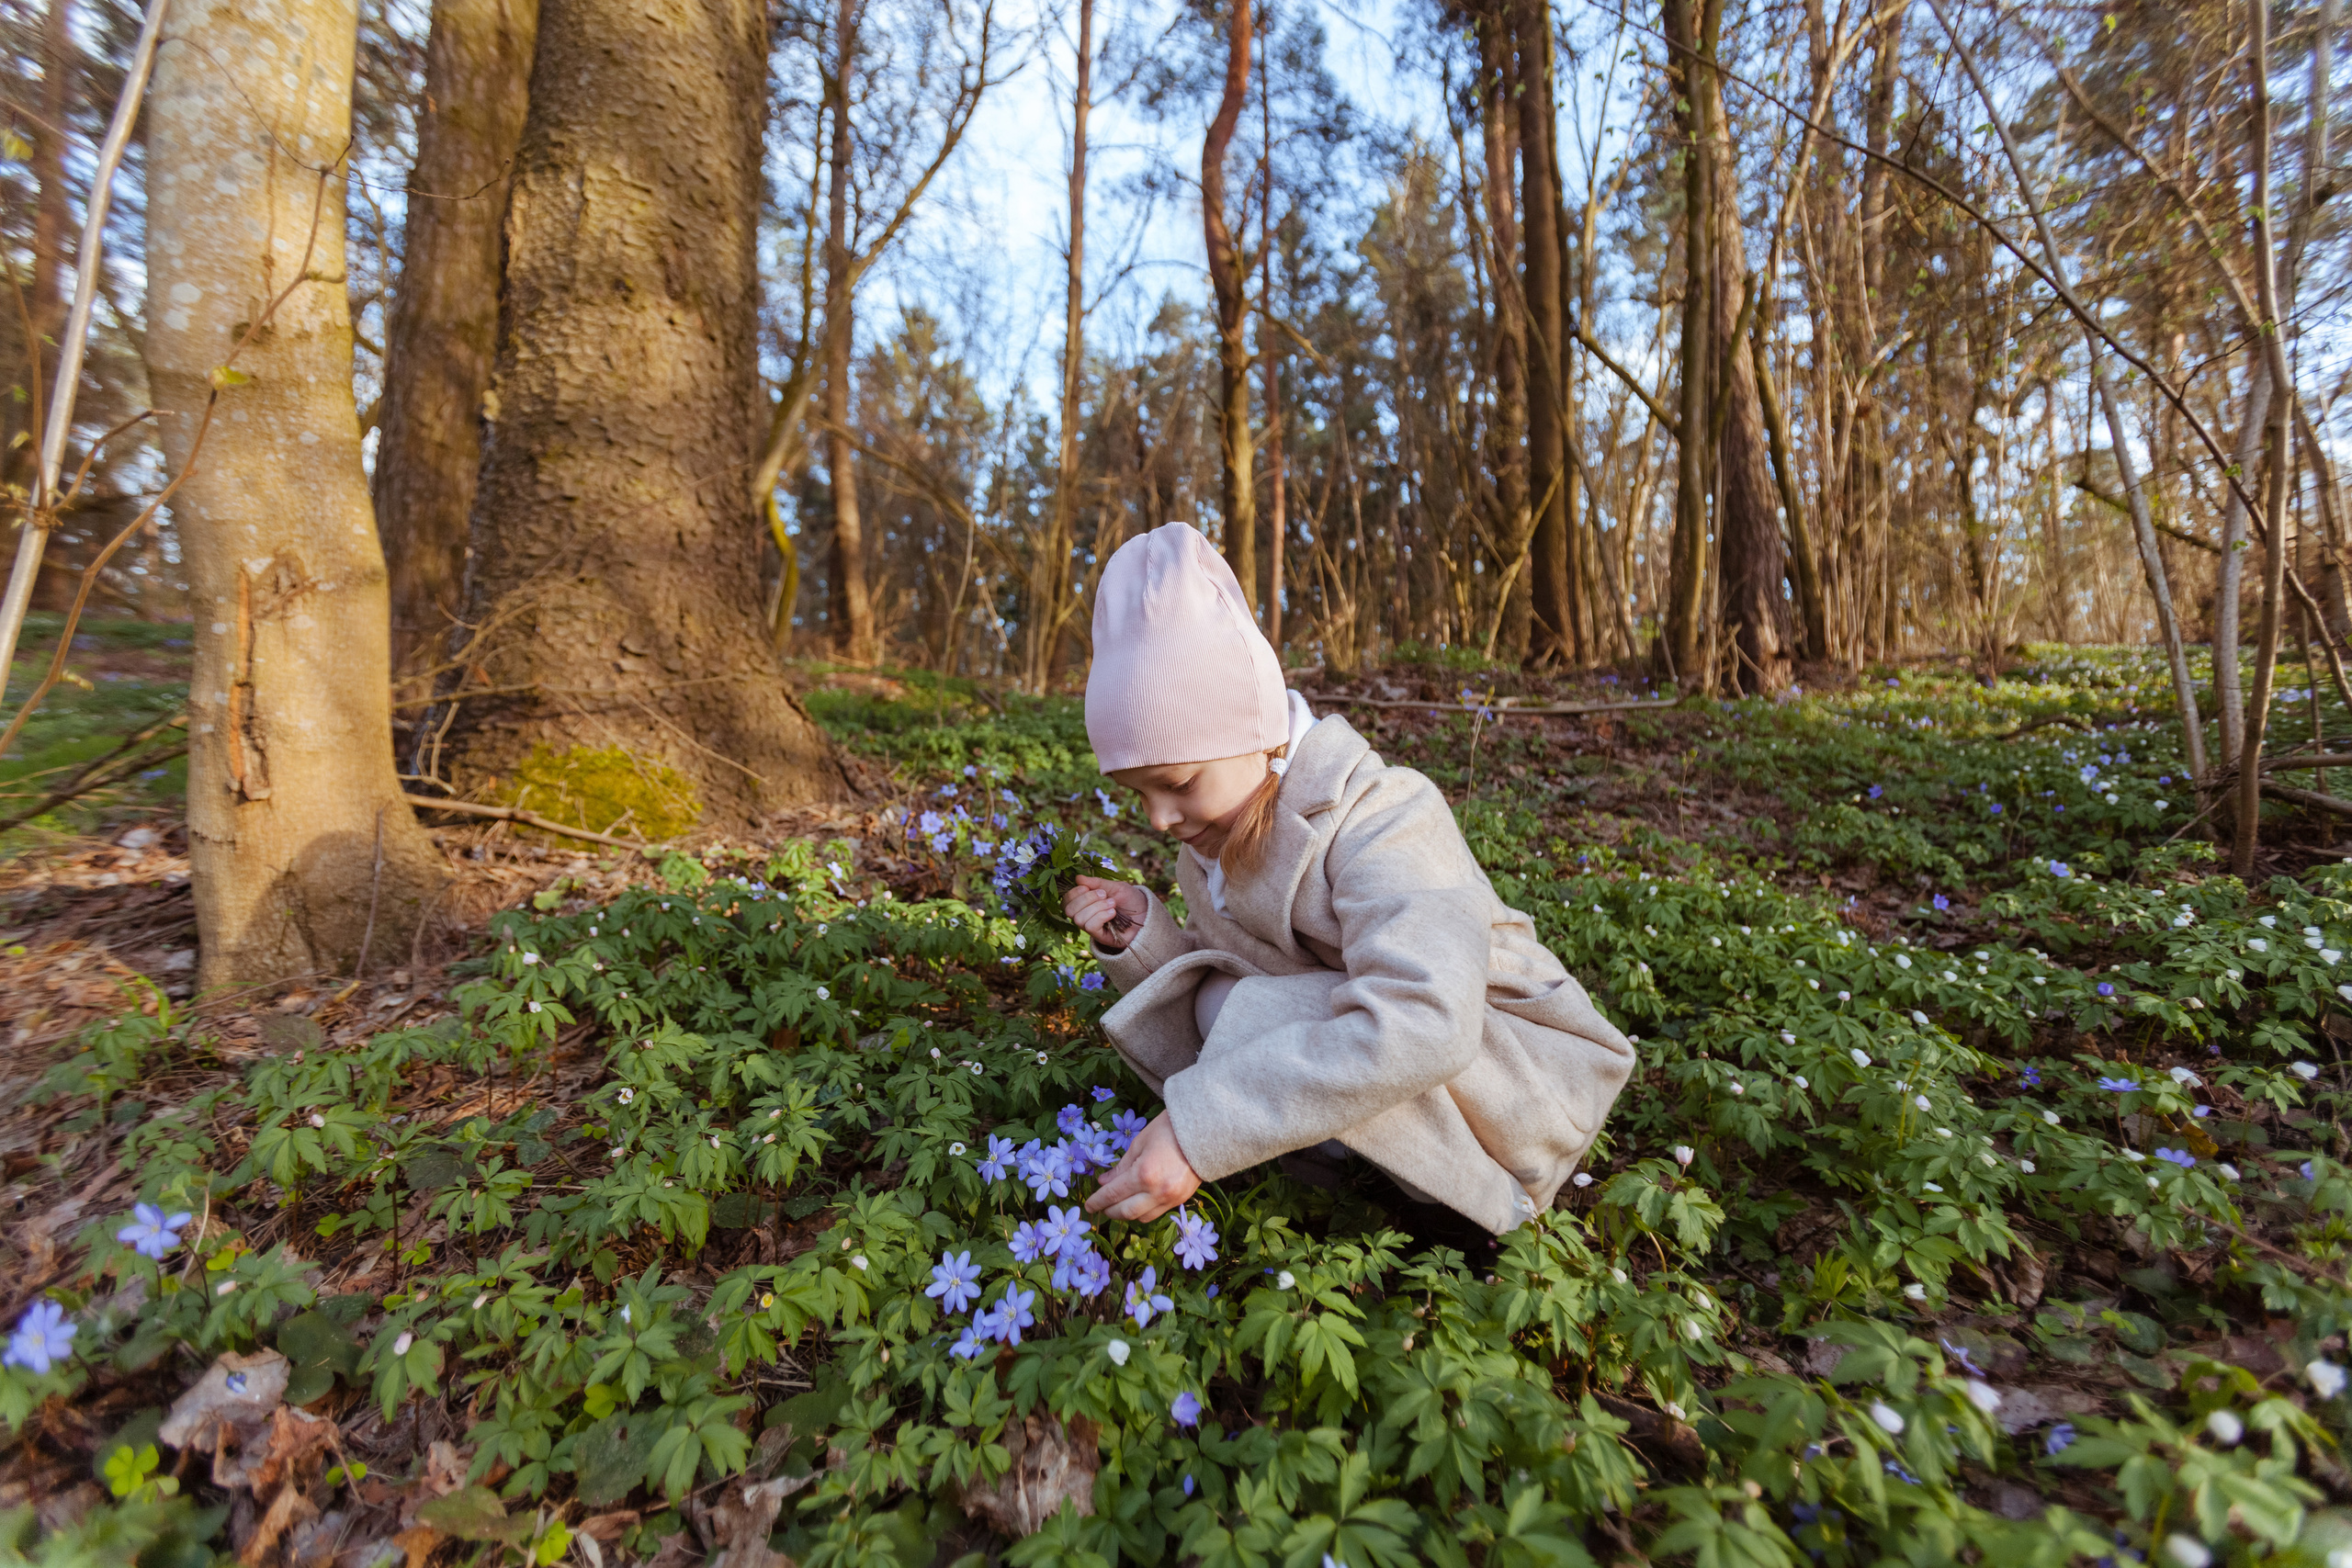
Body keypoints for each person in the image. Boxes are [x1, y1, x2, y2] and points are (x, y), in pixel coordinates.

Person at [1067, 522, 1636, 1257]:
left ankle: (1473, 1212)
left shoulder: (1387, 813)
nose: (1158, 817)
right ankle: (1366, 1178)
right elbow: (1252, 974)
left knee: (1240, 1014)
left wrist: (1202, 1126)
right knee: (1225, 1004)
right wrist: (1147, 936)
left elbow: (1425, 1018)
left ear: (1260, 733)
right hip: (1421, 1071)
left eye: (1175, 783)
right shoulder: (1213, 844)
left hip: (1518, 1083)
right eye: (1136, 792)